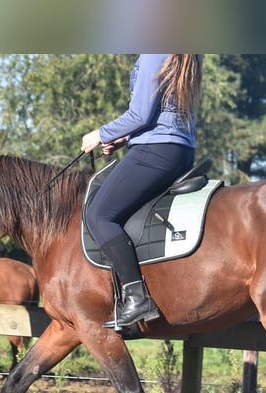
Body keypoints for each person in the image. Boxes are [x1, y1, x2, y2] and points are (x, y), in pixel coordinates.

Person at [81, 54, 203, 329]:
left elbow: (140, 114)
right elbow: (162, 114)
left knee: (99, 215)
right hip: (178, 149)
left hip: (156, 150)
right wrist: (124, 138)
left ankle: (137, 297)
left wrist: (100, 133)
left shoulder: (154, 52)